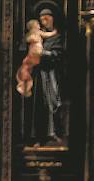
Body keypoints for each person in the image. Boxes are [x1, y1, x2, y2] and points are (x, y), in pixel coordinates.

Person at [23, 8, 65, 145]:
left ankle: (52, 133)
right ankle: (36, 136)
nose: (44, 22)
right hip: (38, 75)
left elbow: (59, 55)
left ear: (52, 19)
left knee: (51, 103)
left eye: (46, 19)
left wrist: (43, 54)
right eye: (42, 20)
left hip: (51, 75)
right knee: (38, 105)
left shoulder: (57, 37)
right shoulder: (37, 34)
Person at [16, 19, 58, 97]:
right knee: (27, 67)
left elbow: (46, 34)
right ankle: (24, 87)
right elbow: (26, 39)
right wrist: (32, 38)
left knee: (29, 68)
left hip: (38, 54)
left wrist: (54, 33)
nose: (39, 25)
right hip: (34, 52)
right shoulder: (31, 33)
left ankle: (25, 87)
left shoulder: (39, 32)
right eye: (37, 24)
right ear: (33, 26)